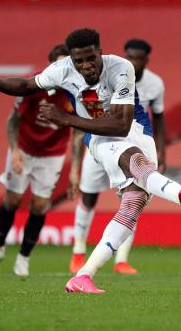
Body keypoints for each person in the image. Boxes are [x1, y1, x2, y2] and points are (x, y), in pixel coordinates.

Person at [0, 28, 181, 293]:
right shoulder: (62, 69)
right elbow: (28, 86)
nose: (85, 66)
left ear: (100, 51)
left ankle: (84, 275)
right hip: (98, 137)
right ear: (72, 60)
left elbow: (121, 126)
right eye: (79, 61)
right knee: (132, 163)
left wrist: (66, 119)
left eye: (90, 58)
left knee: (132, 206)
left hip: (136, 130)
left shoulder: (121, 68)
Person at [69, 38, 166, 275]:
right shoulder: (111, 74)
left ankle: (121, 260)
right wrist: (74, 164)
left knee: (134, 196)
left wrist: (161, 152)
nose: (133, 61)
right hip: (100, 143)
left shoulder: (155, 84)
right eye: (129, 56)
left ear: (146, 59)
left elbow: (160, 119)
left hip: (133, 145)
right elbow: (83, 115)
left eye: (138, 58)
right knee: (89, 197)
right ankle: (78, 252)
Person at [0, 44, 74, 276]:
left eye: (66, 65)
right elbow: (13, 120)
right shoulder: (36, 83)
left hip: (53, 154)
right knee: (12, 200)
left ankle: (23, 257)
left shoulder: (75, 89)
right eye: (58, 65)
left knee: (40, 206)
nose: (62, 70)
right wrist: (14, 150)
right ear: (50, 65)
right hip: (25, 148)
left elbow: (79, 131)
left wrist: (76, 169)